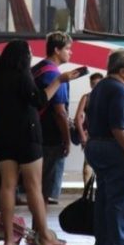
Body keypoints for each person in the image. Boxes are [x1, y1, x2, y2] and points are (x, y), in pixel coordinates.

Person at [0, 40, 79, 245]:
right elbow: (40, 100)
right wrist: (59, 80)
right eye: (29, 53)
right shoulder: (22, 75)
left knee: (7, 186)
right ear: (22, 57)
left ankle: (7, 239)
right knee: (34, 187)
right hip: (27, 136)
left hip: (2, 137)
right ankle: (45, 237)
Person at [85, 49, 124, 245]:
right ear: (123, 70)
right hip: (117, 149)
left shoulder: (101, 87)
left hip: (98, 147)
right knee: (121, 200)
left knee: (105, 199)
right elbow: (117, 125)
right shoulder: (118, 90)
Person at [32, 31, 73, 204]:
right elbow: (59, 112)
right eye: (68, 49)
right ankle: (39, 229)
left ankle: (37, 227)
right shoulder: (55, 75)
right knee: (45, 190)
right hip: (51, 137)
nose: (70, 52)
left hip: (36, 132)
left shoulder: (38, 69)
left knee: (36, 185)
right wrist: (67, 139)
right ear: (57, 50)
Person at [74, 72, 103, 184]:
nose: (95, 86)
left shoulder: (107, 96)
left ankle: (95, 194)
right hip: (91, 136)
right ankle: (87, 193)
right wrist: (83, 136)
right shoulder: (86, 97)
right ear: (90, 84)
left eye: (97, 83)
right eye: (93, 83)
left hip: (103, 136)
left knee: (96, 166)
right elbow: (77, 118)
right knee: (88, 166)